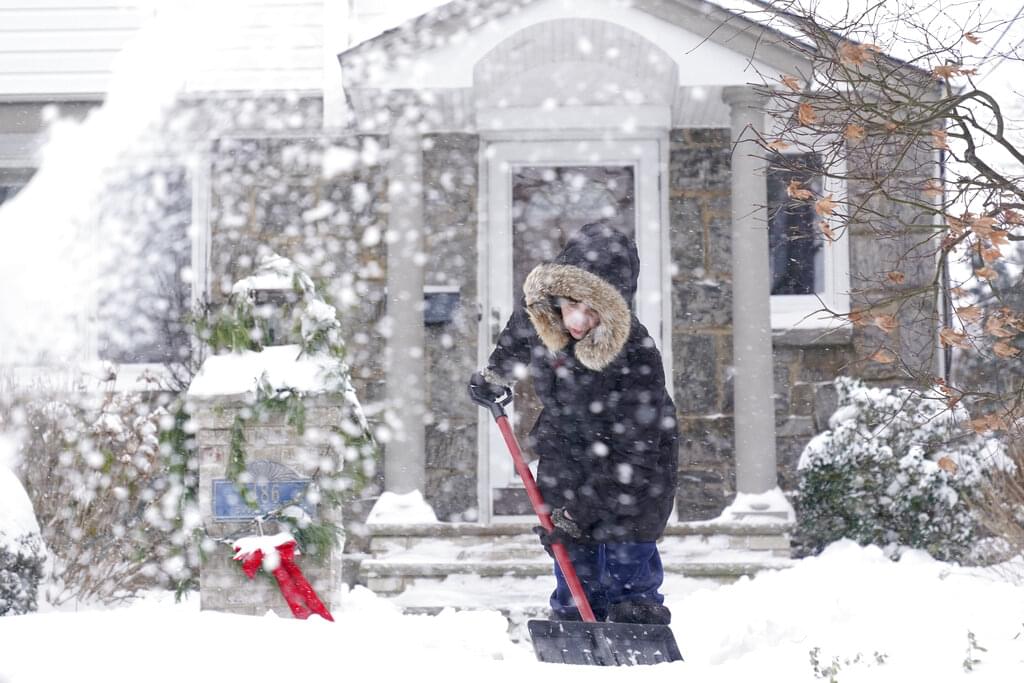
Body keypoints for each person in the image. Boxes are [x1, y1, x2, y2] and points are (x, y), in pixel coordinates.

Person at [469, 222, 678, 625]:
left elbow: (636, 452)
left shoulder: (636, 353)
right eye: (570, 305)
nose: (577, 321)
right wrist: (495, 374)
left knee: (627, 577)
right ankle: (574, 635)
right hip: (566, 450)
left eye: (591, 310)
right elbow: (519, 333)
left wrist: (583, 512)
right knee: (575, 579)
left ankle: (637, 636)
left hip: (633, 468)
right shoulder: (546, 317)